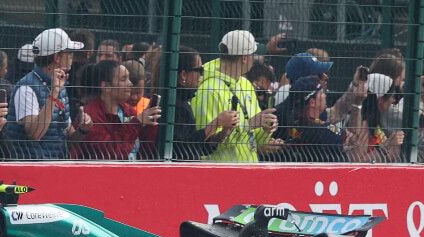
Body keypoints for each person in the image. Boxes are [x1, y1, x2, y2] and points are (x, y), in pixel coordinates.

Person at [193, 30, 281, 162]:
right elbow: (206, 143)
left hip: (248, 168)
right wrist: (248, 125)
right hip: (220, 170)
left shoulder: (245, 84)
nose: (254, 58)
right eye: (253, 54)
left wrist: (266, 131)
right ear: (244, 58)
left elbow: (255, 138)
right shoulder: (208, 90)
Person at [149, 45, 238, 161]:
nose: (202, 75)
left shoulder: (181, 101)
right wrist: (216, 122)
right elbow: (183, 147)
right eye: (199, 70)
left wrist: (223, 133)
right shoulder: (172, 105)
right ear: (183, 75)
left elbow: (196, 147)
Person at [5, 28, 83, 159]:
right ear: (57, 57)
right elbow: (35, 134)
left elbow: (67, 136)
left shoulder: (60, 86)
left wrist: (83, 129)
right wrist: (54, 94)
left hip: (56, 165)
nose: (72, 57)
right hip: (30, 166)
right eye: (69, 52)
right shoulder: (26, 87)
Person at [72, 60, 159, 160]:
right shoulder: (90, 114)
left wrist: (150, 125)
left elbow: (146, 147)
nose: (130, 84)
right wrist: (137, 123)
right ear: (106, 86)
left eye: (129, 78)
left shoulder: (128, 111)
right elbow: (110, 154)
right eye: (123, 79)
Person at [275, 76, 363, 162]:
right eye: (322, 93)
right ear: (312, 102)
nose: (325, 95)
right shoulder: (324, 130)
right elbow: (354, 141)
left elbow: (337, 111)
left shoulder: (292, 122)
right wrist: (357, 104)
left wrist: (354, 86)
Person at [361, 73, 406, 163]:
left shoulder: (376, 122)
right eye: (392, 96)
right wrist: (387, 146)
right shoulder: (363, 125)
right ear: (381, 99)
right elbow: (358, 161)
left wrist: (394, 145)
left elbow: (388, 158)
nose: (393, 100)